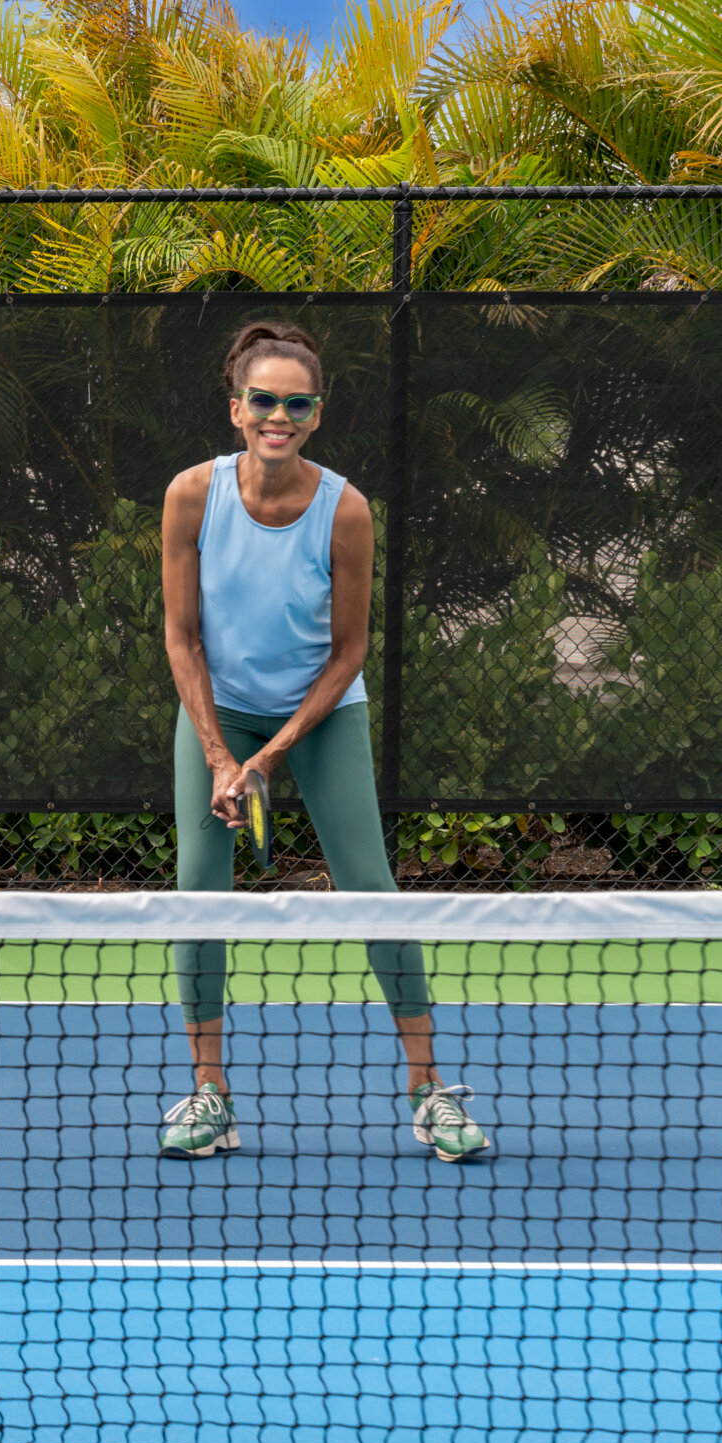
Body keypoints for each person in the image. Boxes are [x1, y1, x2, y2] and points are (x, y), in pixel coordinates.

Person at [156, 319, 490, 1164]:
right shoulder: (191, 495)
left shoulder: (346, 511)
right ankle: (208, 1095)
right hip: (220, 709)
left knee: (372, 888)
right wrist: (221, 756)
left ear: (316, 413)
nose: (279, 414)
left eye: (295, 402)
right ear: (236, 409)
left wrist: (269, 759)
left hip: (324, 710)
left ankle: (427, 1091)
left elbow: (348, 652)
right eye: (263, 400)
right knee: (200, 891)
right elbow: (181, 636)